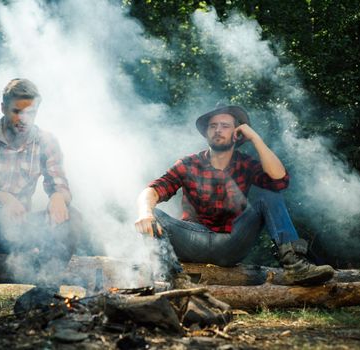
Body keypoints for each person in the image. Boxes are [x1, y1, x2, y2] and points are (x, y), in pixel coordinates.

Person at [134, 105, 334, 288]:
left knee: (268, 194)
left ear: (237, 134)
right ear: (206, 133)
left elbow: (280, 180)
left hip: (232, 241)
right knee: (154, 214)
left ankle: (294, 266)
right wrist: (145, 213)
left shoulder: (246, 164)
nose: (218, 130)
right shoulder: (188, 163)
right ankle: (174, 277)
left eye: (225, 126)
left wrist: (256, 138)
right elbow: (153, 189)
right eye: (213, 126)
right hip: (192, 239)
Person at [0, 79, 81, 322]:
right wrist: (2, 198)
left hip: (20, 231)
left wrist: (59, 198)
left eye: (29, 112)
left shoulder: (46, 141)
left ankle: (44, 294)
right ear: (3, 108)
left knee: (72, 215)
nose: (23, 119)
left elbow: (60, 186)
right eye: (16, 111)